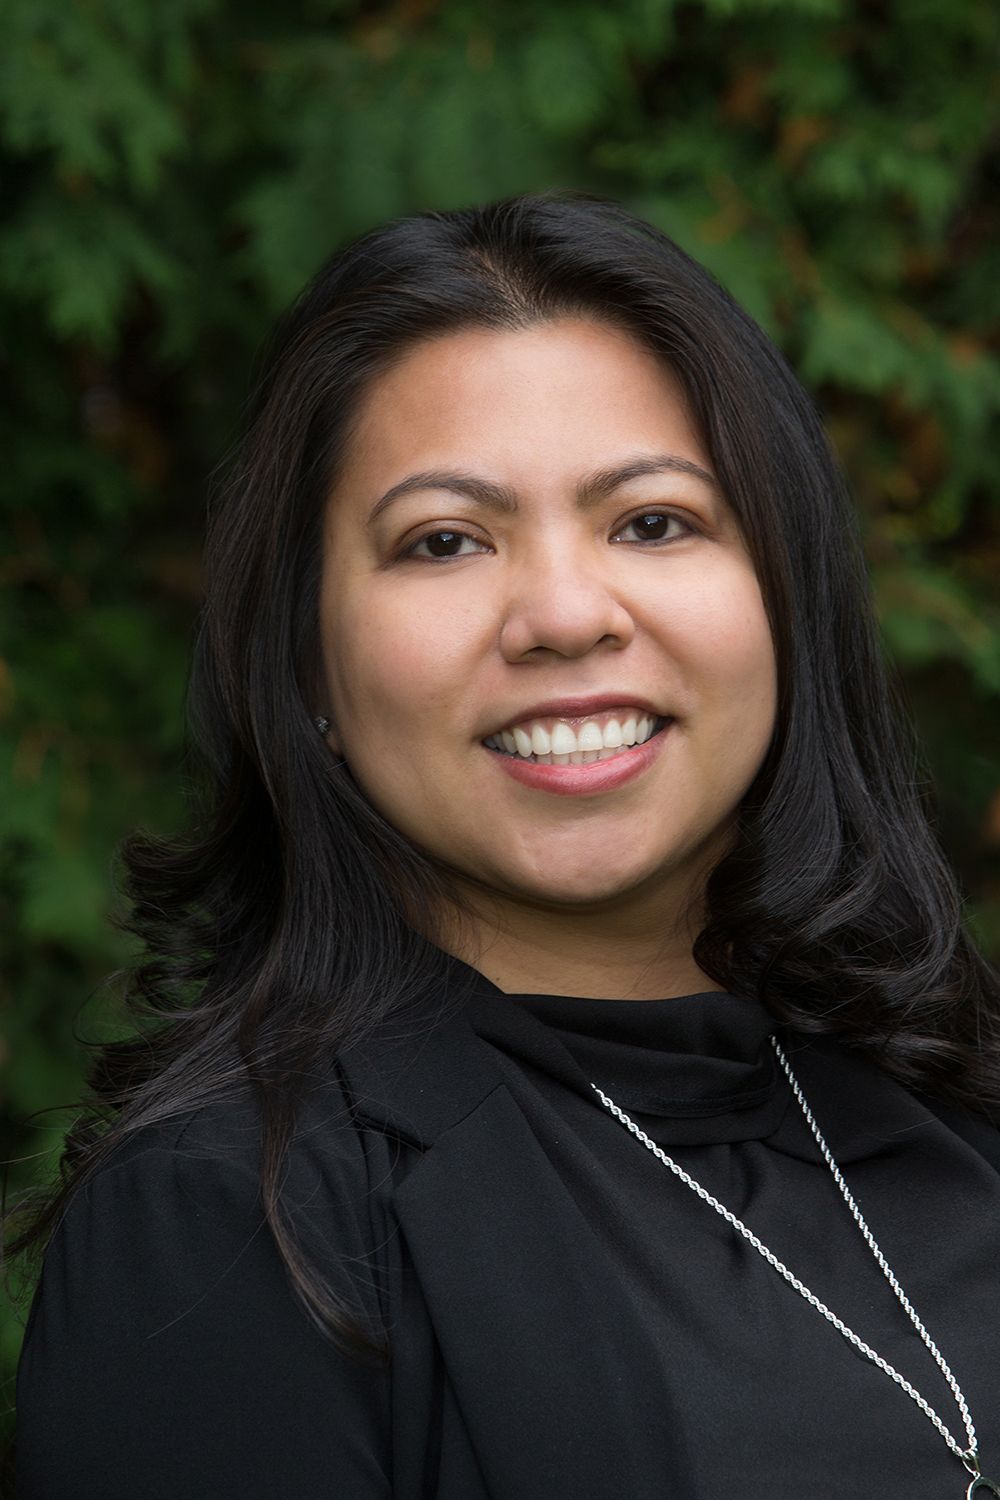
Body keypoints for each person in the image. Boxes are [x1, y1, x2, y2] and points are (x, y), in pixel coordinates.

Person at [8, 191, 1000, 1499]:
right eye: (445, 541)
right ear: (308, 659)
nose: (564, 614)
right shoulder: (236, 1224)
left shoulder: (953, 1112)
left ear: (785, 598)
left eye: (653, 521)